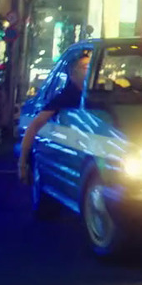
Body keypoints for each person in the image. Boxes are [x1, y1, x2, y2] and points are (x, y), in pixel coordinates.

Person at [18, 50, 90, 184]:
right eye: (86, 67)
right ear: (72, 72)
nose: (90, 70)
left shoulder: (101, 93)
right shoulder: (65, 98)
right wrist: (22, 162)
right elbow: (34, 126)